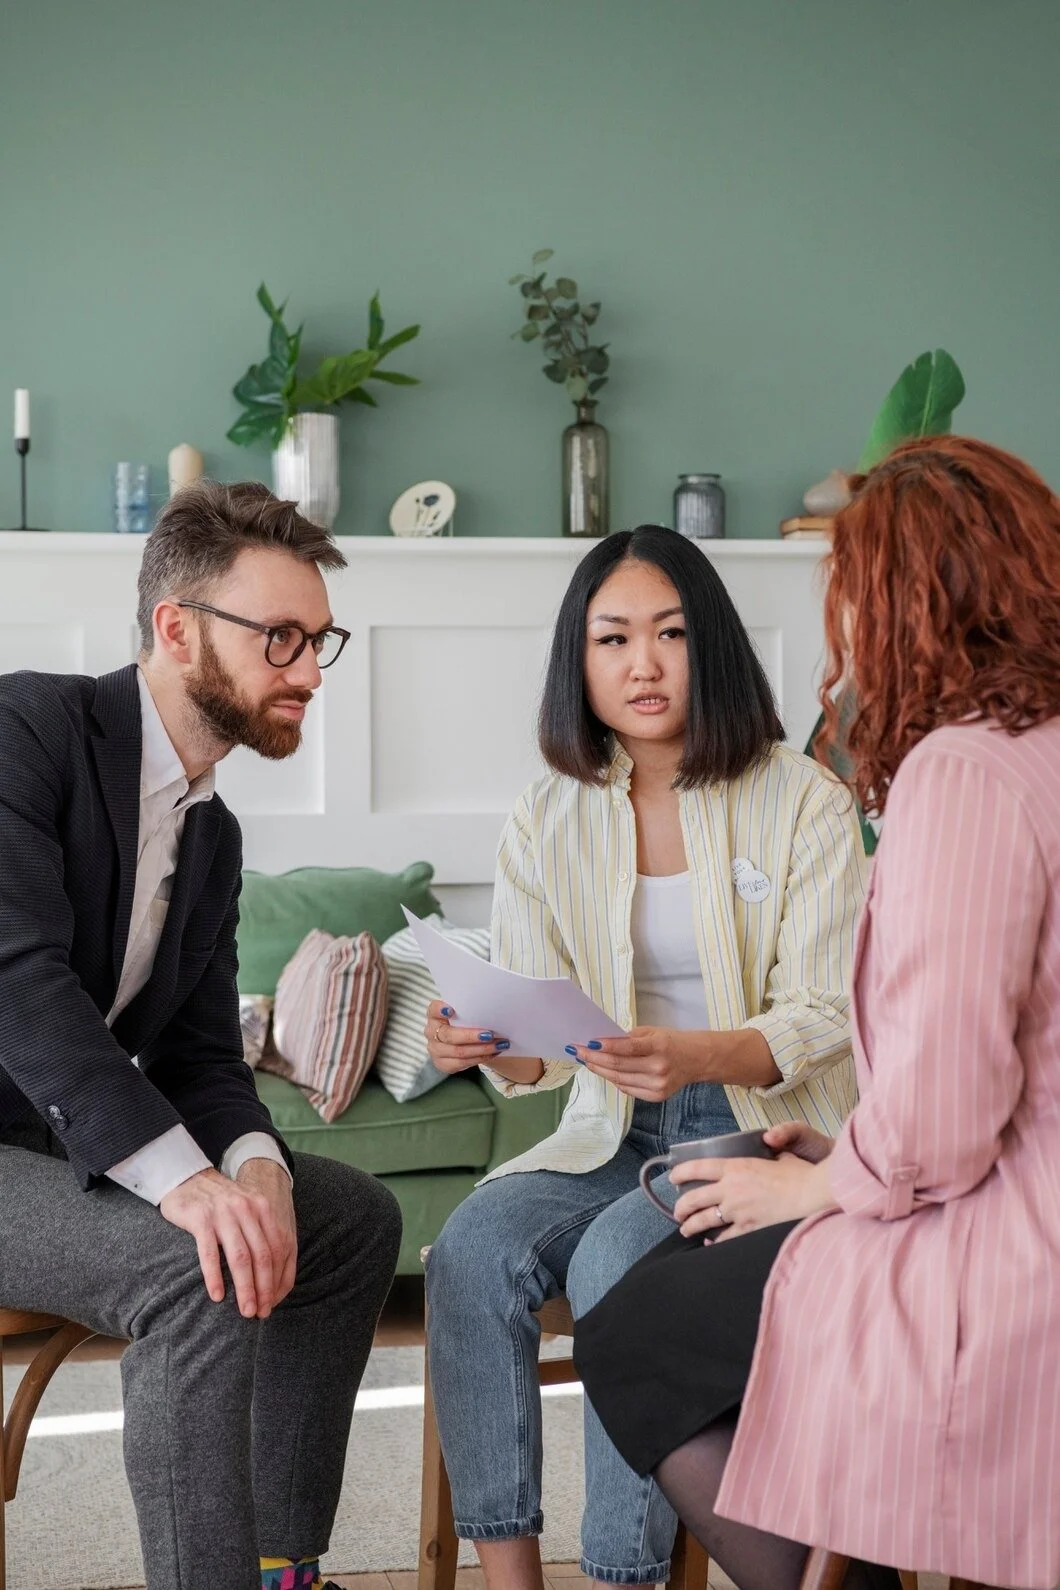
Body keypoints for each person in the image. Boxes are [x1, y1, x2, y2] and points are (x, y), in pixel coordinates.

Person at [574, 437, 1060, 1590]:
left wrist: (817, 1183)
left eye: (845, 599)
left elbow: (945, 1116)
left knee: (638, 1339)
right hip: (1003, 1187)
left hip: (1010, 1244)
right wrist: (852, 1150)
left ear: (897, 605)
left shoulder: (964, 774)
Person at [422, 527, 867, 1590]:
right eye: (611, 638)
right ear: (578, 663)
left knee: (622, 1265)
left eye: (668, 634)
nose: (642, 664)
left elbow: (825, 1012)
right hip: (607, 1125)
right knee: (468, 1253)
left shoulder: (801, 798)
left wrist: (697, 1052)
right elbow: (536, 1053)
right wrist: (485, 1044)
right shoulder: (547, 814)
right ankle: (509, 1578)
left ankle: (623, 1576)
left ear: (707, 646)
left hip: (760, 1121)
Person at [0, 481, 402, 1590]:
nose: (311, 671)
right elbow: (17, 981)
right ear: (175, 630)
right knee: (196, 1264)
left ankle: (279, 1564)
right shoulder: (26, 728)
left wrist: (257, 1167)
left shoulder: (212, 835)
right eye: (280, 637)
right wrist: (189, 1185)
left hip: (54, 1152)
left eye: (320, 641)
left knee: (349, 1217)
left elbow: (199, 1059)